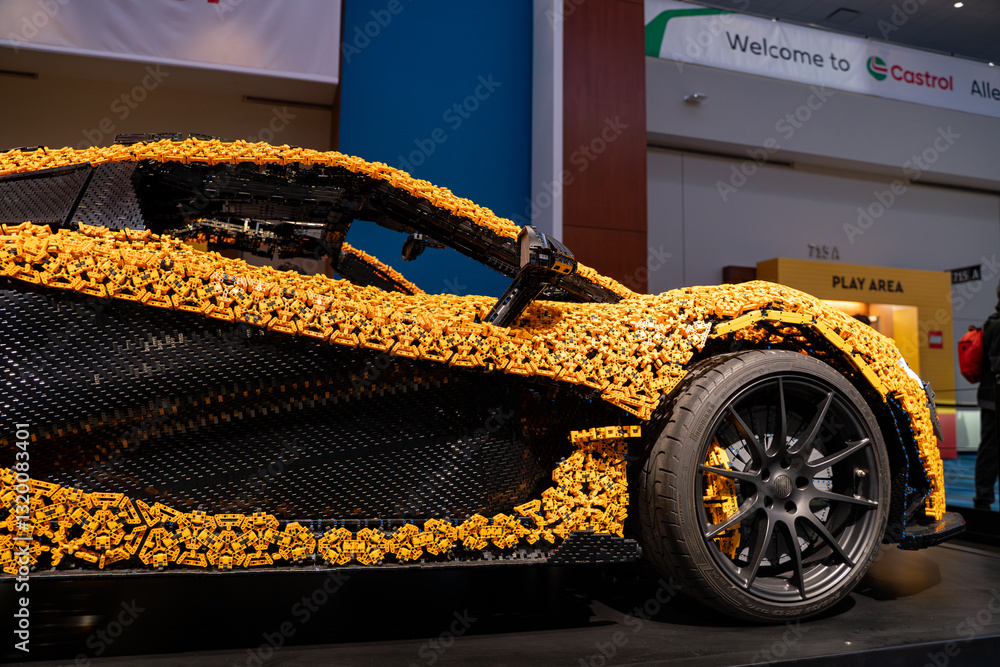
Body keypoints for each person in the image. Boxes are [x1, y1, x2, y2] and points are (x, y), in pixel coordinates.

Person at [974, 282, 1000, 510]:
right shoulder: (997, 325)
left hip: (989, 395)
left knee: (990, 448)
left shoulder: (991, 322)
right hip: (993, 398)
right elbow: (996, 362)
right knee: (990, 449)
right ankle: (983, 498)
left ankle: (984, 496)